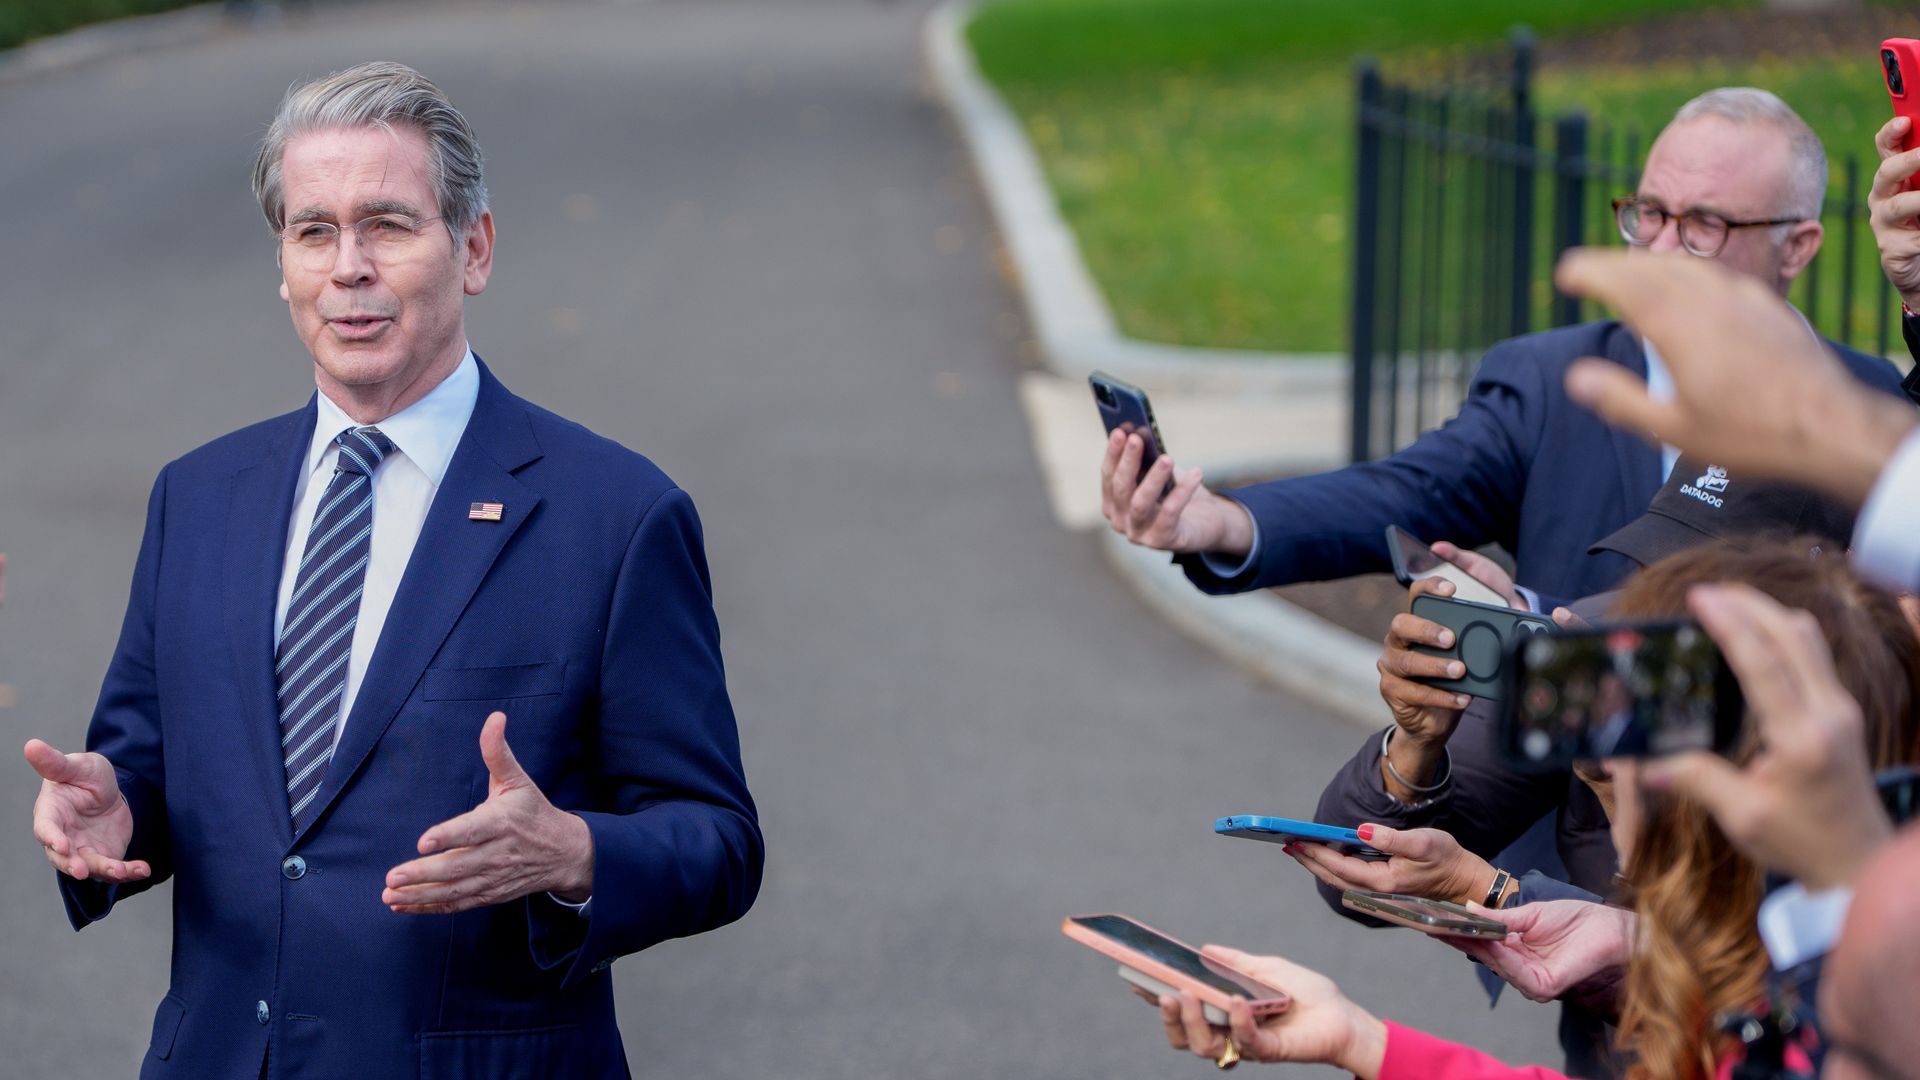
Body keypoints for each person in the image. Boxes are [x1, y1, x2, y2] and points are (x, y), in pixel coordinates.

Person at [22, 62, 762, 1076]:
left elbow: (718, 840)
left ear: (474, 248)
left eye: (389, 225)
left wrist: (578, 855)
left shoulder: (616, 516)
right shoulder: (197, 498)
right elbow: (151, 760)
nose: (348, 267)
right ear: (282, 262)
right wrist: (115, 805)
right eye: (313, 231)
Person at [1101, 88, 1906, 608]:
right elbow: (1403, 494)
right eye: (1649, 213)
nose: (1659, 251)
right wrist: (1229, 523)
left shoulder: (1872, 406)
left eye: (1703, 225)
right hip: (1561, 848)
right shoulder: (1553, 381)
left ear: (1798, 246)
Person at [1150, 561, 1919, 1079]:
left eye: (1616, 782)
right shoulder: (1807, 998)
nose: (1619, 837)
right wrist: (1361, 1039)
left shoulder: (1845, 1023)